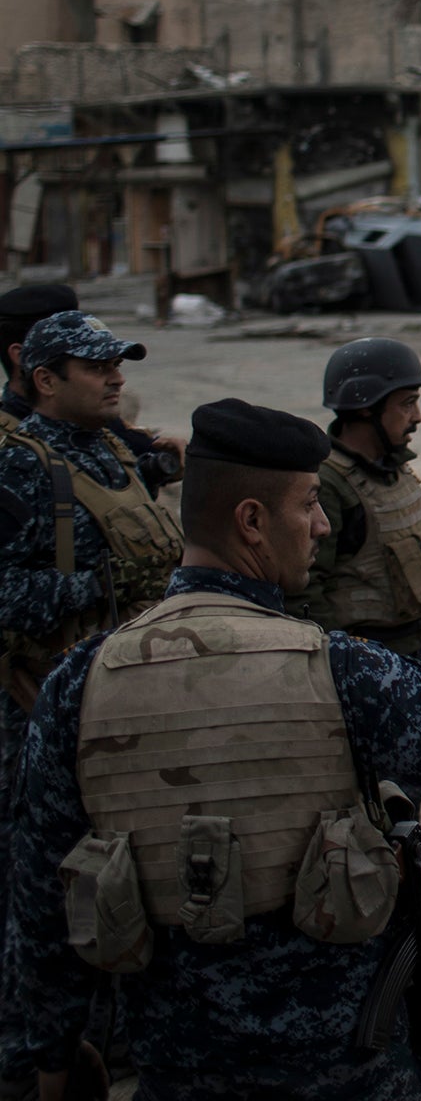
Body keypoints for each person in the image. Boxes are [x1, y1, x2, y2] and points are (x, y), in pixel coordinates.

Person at [5, 397, 421, 1101]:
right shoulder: (341, 669)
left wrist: (48, 1063)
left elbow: (42, 907)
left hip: (177, 1072)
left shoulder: (81, 684)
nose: (323, 524)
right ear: (251, 521)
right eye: (309, 504)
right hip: (351, 1073)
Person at [0, 309, 184, 1100]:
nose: (116, 379)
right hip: (44, 710)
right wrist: (102, 588)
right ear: (45, 380)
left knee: (128, 876)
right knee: (44, 895)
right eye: (96, 368)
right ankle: (29, 1054)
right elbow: (6, 595)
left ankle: (113, 1034)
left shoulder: (111, 452)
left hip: (127, 703)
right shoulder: (17, 469)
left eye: (119, 365)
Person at [292, 337, 421, 672]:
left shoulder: (391, 465)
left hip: (414, 649)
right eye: (406, 404)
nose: (417, 417)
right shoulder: (329, 484)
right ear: (365, 407)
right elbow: (306, 588)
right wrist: (335, 665)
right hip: (365, 661)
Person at [0, 284, 183, 481]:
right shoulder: (17, 461)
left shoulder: (93, 424)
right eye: (95, 367)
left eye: (115, 365)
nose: (119, 380)